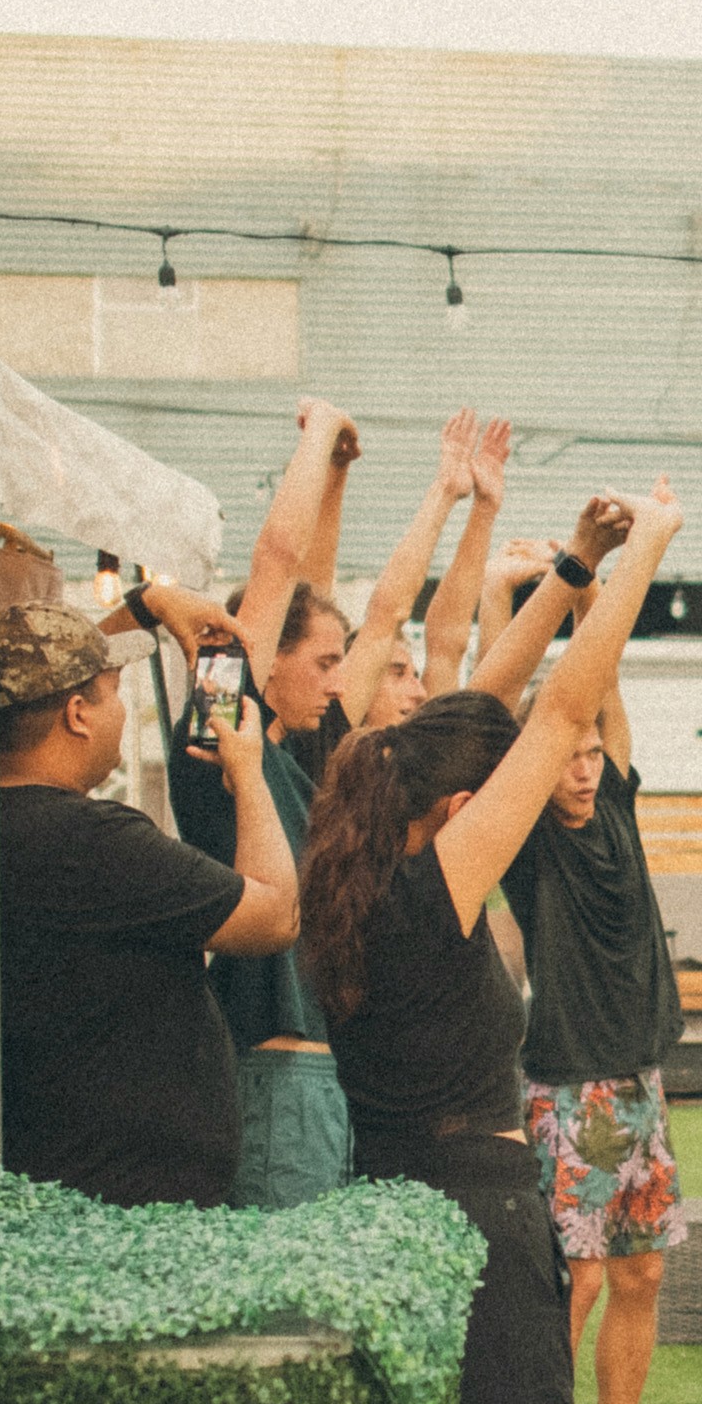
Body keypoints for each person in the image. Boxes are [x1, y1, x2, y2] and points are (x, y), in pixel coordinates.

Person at [300, 475, 686, 1404]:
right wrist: (635, 561)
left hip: (386, 1222)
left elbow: (482, 708)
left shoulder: (355, 871)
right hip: (475, 1229)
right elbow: (550, 708)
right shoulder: (440, 882)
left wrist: (571, 563)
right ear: (464, 813)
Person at [169, 402, 502, 1208]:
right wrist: (318, 433)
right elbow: (279, 563)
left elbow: (377, 611)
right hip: (276, 1075)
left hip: (330, 1076)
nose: (337, 677)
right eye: (322, 662)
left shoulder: (302, 758)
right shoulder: (222, 735)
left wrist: (415, 488)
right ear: (264, 662)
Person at [459, 502, 698, 1404]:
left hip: (639, 1075)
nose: (584, 762)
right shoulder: (528, 840)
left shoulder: (618, 804)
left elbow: (599, 681)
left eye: (593, 748)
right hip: (569, 1080)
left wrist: (599, 589)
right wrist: (502, 595)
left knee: (639, 1273)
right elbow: (503, 708)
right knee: (581, 1281)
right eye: (568, 751)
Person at [0, 589, 292, 1208]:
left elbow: (35, 673)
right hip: (129, 1199)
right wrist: (250, 773)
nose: (120, 707)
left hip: (56, 1168)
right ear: (78, 714)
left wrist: (147, 606)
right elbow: (275, 916)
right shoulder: (90, 843)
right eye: (111, 693)